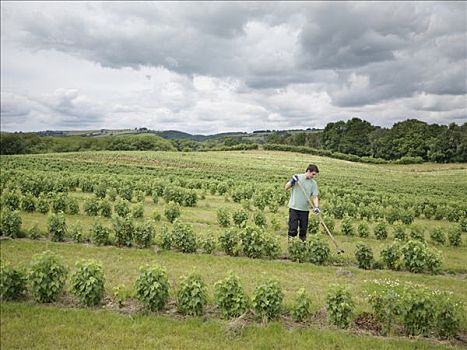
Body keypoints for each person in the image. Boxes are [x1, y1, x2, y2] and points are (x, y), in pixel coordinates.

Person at [285, 164, 320, 241]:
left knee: (303, 230)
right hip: (294, 208)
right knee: (292, 229)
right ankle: (291, 245)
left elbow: (315, 196)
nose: (313, 176)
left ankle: (302, 246)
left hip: (304, 210)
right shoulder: (297, 177)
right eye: (313, 174)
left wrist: (316, 207)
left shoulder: (313, 183)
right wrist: (292, 182)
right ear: (308, 171)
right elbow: (286, 187)